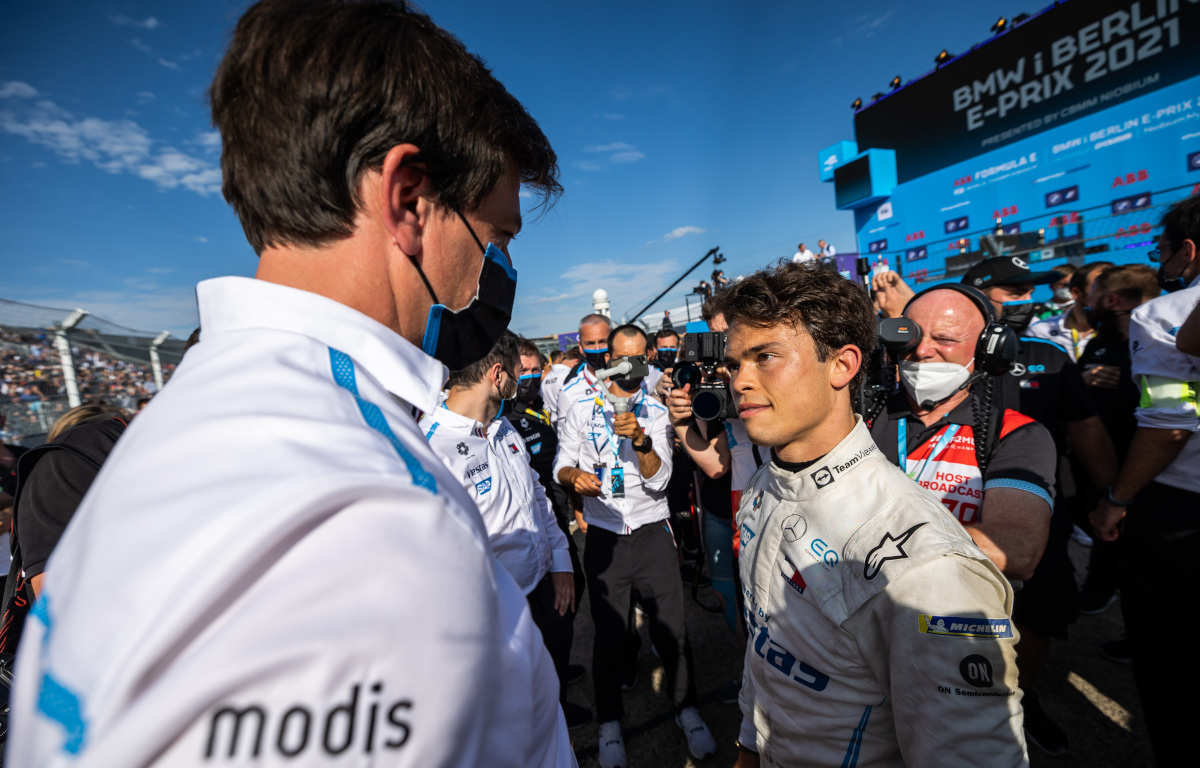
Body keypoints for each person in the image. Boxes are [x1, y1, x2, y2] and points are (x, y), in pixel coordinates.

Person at [9, 2, 575, 766]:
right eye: (495, 236)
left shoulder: (202, 425)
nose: (498, 270)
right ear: (408, 199)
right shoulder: (363, 504)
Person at [717, 262, 1025, 768]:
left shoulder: (929, 563)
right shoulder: (763, 483)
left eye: (765, 357)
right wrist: (748, 748)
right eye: (734, 364)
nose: (741, 381)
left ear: (842, 365)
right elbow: (765, 646)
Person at [962, 255, 1119, 756]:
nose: (1025, 301)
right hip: (956, 520)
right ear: (977, 294)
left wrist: (1114, 498)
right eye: (1012, 290)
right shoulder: (938, 355)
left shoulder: (1050, 355)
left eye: (1030, 290)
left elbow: (1086, 428)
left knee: (1040, 618)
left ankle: (1021, 700)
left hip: (1040, 519)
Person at [554, 324, 715, 768]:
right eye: (618, 357)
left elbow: (661, 481)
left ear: (646, 358)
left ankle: (687, 709)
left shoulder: (659, 411)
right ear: (607, 356)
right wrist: (573, 479)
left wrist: (641, 440)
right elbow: (561, 461)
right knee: (609, 634)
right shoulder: (576, 403)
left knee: (671, 627)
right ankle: (609, 722)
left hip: (651, 532)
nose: (627, 366)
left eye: (637, 357)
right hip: (605, 534)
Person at [420, 333, 588, 730]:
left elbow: (538, 499)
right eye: (517, 371)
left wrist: (561, 564)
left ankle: (557, 714)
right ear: (498, 375)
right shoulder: (431, 448)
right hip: (497, 614)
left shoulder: (502, 427)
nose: (522, 379)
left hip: (545, 589)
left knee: (551, 680)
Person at [1091, 195, 1200, 766]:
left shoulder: (1166, 312)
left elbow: (1167, 426)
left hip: (1180, 510)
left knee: (1170, 663)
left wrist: (1116, 500)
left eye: (1163, 250)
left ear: (1187, 251)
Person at [1073, 265, 1159, 623]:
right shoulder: (1100, 341)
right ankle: (1101, 587)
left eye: (1091, 296)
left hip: (1156, 470)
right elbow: (1073, 397)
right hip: (1102, 468)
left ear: (1109, 298)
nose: (1086, 304)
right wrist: (1082, 380)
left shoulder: (1164, 340)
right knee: (1105, 531)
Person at [1025, 262, 1111, 361]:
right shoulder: (1038, 315)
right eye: (1064, 284)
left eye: (1071, 284)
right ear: (1052, 286)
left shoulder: (1118, 322)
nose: (1068, 288)